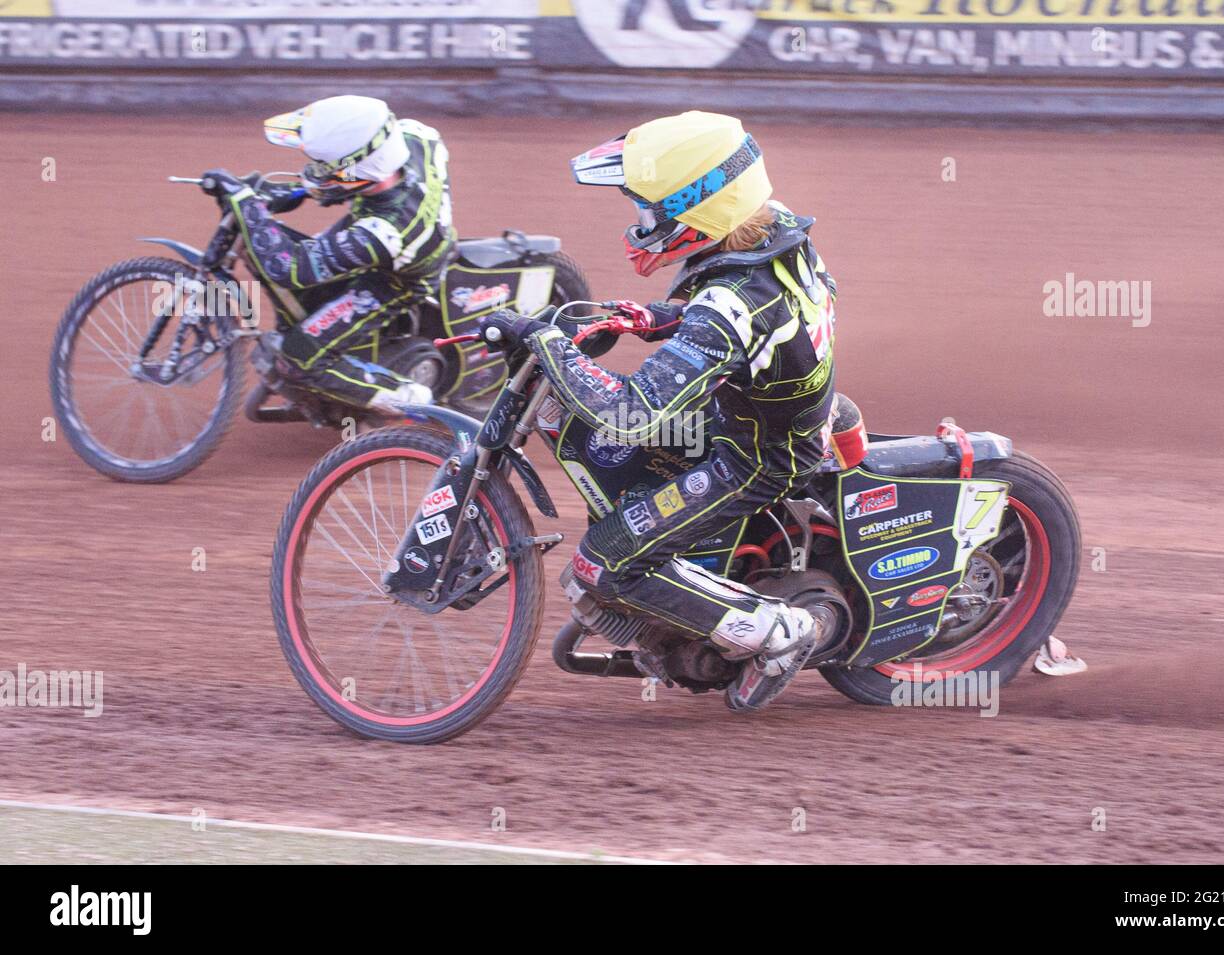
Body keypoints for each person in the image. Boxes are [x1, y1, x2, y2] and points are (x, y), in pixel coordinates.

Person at [481, 111, 838, 711]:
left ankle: (781, 631)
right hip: (760, 415)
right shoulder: (775, 235)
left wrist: (546, 343)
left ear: (696, 211)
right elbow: (739, 327)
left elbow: (630, 415)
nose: (641, 224)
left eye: (649, 210)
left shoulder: (730, 302)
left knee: (601, 564)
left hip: (753, 459)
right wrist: (645, 318)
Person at [200, 95, 455, 414]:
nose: (312, 168)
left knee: (296, 358)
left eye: (322, 165)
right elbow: (356, 176)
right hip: (390, 225)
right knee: (308, 272)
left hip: (394, 280)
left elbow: (290, 267)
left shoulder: (384, 233)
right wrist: (300, 191)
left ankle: (407, 398)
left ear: (355, 171)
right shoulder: (414, 136)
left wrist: (248, 204)